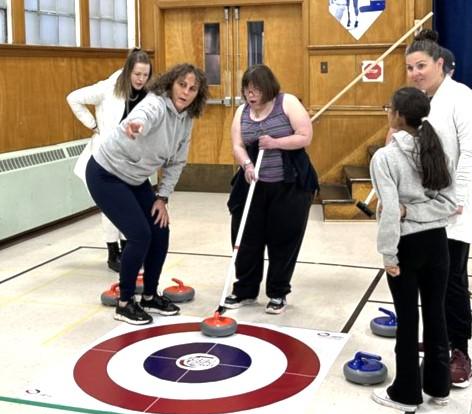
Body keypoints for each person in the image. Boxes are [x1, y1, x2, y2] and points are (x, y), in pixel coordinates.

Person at [85, 63, 208, 325]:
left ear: (198, 94)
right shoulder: (155, 103)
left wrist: (162, 198)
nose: (185, 92)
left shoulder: (186, 120)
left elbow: (176, 163)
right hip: (106, 173)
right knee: (140, 235)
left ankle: (150, 296)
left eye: (192, 89)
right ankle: (125, 302)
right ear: (170, 84)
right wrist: (135, 124)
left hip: (135, 178)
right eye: (181, 85)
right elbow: (144, 115)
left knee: (160, 229)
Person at [404, 30, 472, 388]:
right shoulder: (419, 101)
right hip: (424, 206)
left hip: (455, 206)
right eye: (409, 67)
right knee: (427, 276)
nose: (415, 72)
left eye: (421, 65)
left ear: (440, 64)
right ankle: (438, 339)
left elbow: (469, 155)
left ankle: (459, 350)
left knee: (452, 279)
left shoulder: (461, 98)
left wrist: (458, 199)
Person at [370, 87, 457, 412]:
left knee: (408, 320)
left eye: (388, 108)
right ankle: (439, 386)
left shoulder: (386, 157)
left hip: (407, 246)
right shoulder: (436, 148)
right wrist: (421, 210)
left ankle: (406, 393)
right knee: (436, 314)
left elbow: (391, 211)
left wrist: (389, 255)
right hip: (438, 245)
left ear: (397, 116)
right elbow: (448, 205)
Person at [225, 64, 319, 315]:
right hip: (253, 184)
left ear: (267, 88)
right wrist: (246, 164)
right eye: (246, 90)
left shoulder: (286, 103)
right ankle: (245, 289)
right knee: (245, 237)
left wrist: (275, 142)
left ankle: (277, 292)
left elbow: (305, 135)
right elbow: (237, 144)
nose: (250, 95)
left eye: (255, 90)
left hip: (289, 186)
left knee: (283, 239)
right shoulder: (242, 111)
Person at [67, 48, 152, 272]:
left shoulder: (146, 94)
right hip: (102, 159)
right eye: (137, 74)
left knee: (129, 204)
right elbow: (73, 98)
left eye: (145, 75)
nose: (141, 79)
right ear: (127, 71)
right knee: (110, 207)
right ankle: (113, 252)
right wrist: (93, 125)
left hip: (128, 159)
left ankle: (127, 247)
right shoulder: (108, 89)